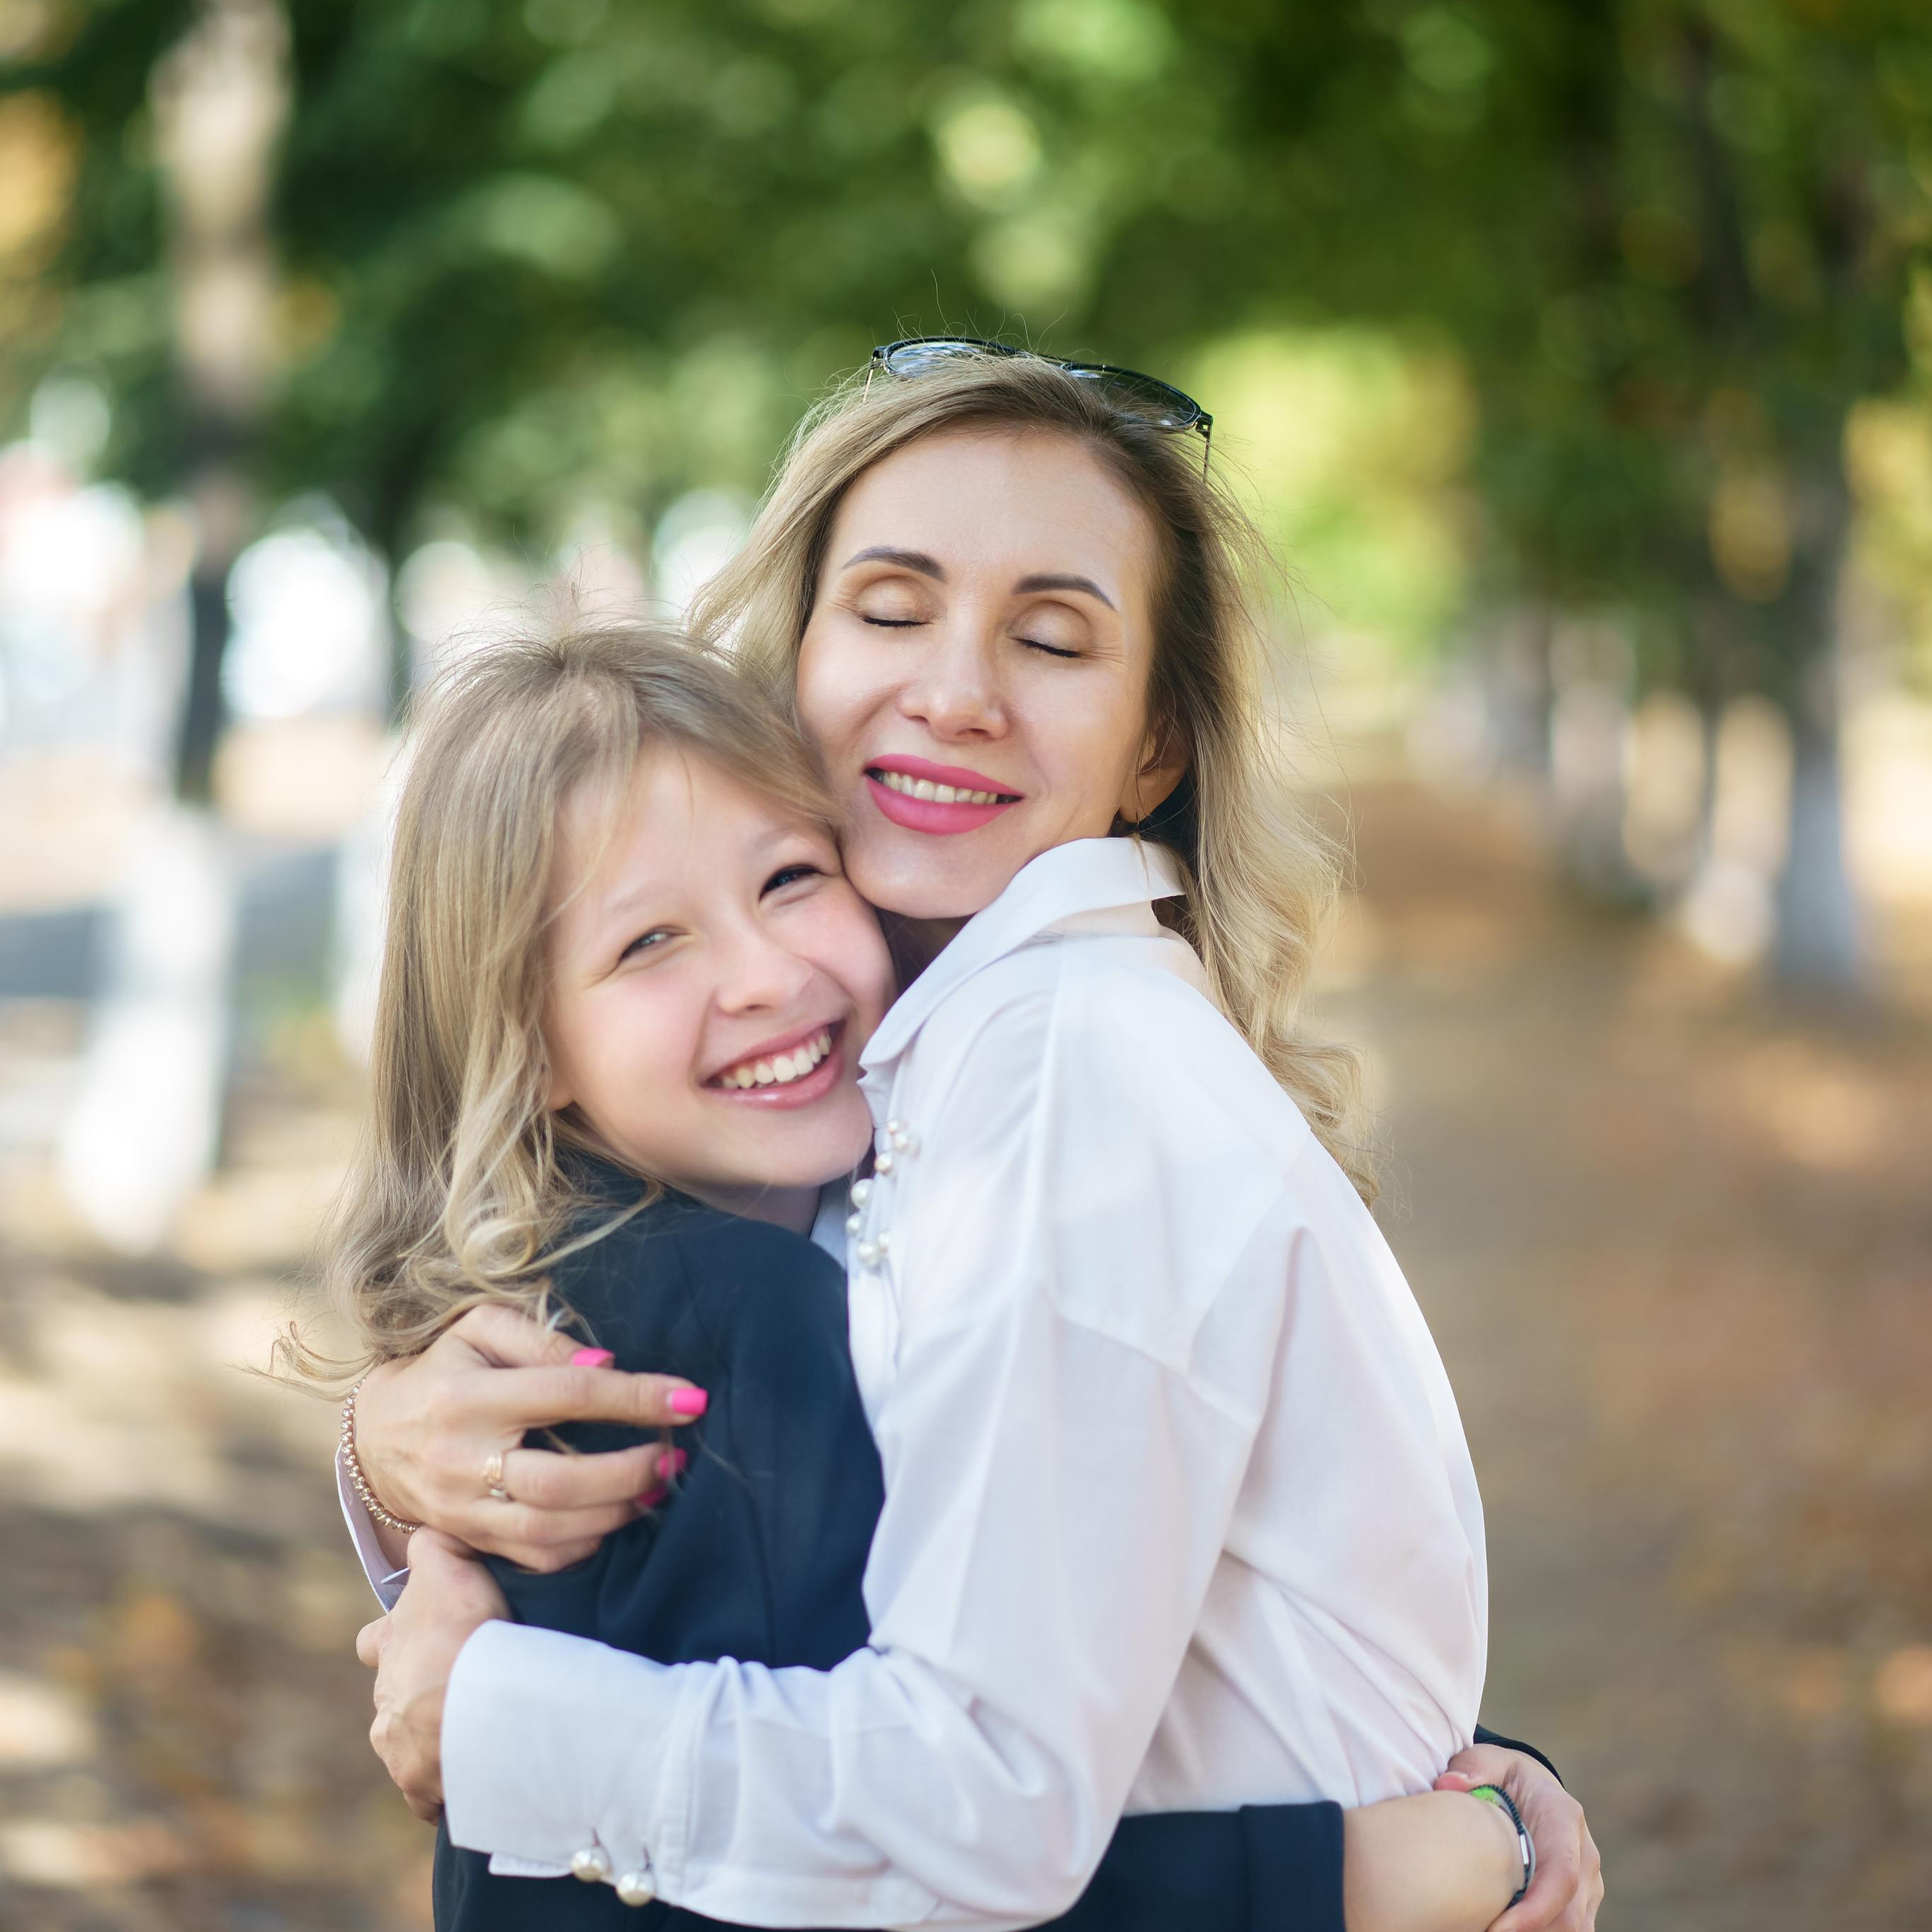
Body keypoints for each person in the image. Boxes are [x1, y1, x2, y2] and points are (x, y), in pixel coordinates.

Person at [349, 345, 1604, 1928]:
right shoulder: (887, 1068)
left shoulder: (1069, 1074)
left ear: (1155, 743)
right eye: (888, 606)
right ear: (794, 655)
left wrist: (488, 1711)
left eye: (1054, 634)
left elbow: (976, 1796)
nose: (953, 687)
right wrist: (393, 1453)